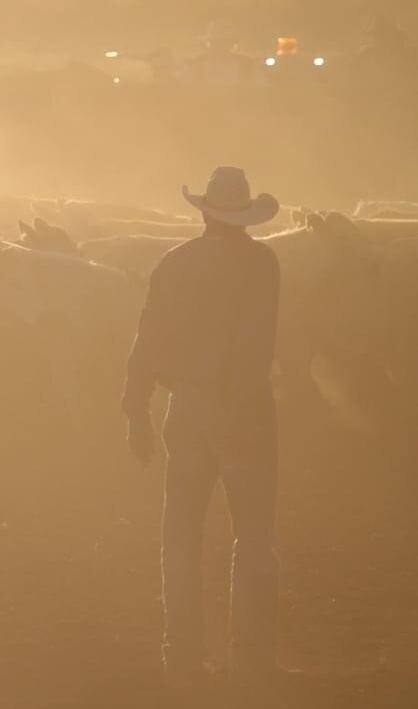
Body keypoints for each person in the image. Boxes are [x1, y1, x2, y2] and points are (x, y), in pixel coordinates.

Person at [121, 167, 288, 691]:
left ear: (203, 212)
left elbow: (146, 338)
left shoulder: (175, 262)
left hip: (186, 405)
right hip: (244, 408)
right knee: (252, 536)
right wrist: (240, 412)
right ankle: (251, 657)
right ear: (245, 216)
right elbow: (255, 345)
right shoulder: (261, 263)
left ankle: (181, 654)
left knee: (180, 535)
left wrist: (135, 409)